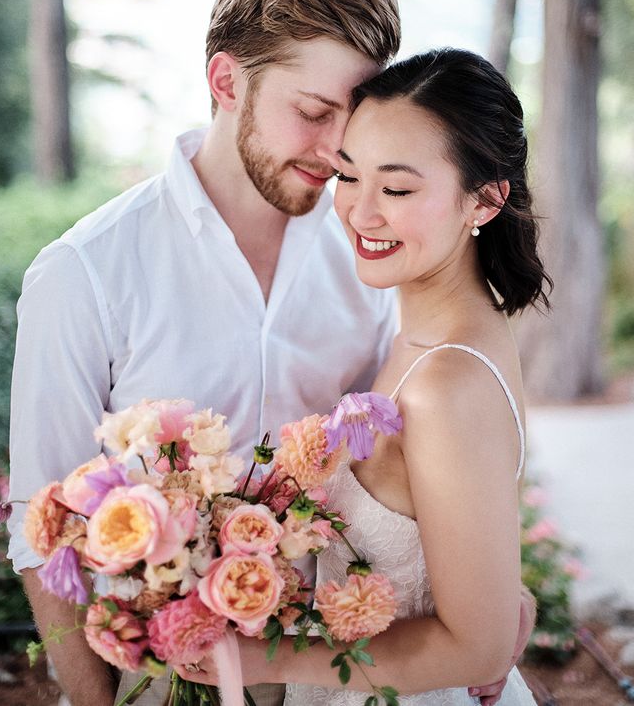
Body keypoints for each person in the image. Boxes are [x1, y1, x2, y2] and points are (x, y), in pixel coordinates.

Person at [6, 0, 531, 703]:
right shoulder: (83, 274)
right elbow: (42, 519)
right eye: (314, 112)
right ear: (226, 83)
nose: (333, 151)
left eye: (352, 122)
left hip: (349, 676)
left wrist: (489, 592)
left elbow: (440, 460)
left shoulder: (374, 251)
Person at [180, 47, 550, 705]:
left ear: (486, 200)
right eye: (348, 176)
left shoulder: (445, 382)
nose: (360, 212)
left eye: (399, 189)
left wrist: (266, 659)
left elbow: (479, 646)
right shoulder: (428, 329)